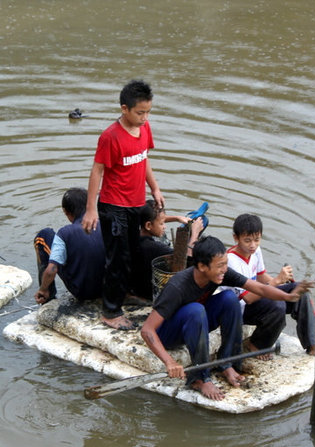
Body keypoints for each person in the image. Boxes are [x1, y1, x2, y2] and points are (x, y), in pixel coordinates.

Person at [140, 236, 314, 400]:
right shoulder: (177, 286)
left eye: (226, 264)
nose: (225, 269)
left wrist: (288, 297)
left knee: (229, 299)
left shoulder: (220, 273)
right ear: (202, 266)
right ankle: (200, 378)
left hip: (195, 322)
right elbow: (147, 330)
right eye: (220, 265)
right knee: (195, 309)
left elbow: (258, 288)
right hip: (169, 334)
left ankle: (228, 363)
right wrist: (169, 362)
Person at [82, 79, 164, 330]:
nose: (144, 117)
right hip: (114, 205)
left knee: (133, 252)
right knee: (117, 258)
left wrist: (155, 187)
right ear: (124, 109)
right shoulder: (110, 137)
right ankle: (110, 312)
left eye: (148, 112)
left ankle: (123, 294)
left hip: (136, 203)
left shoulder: (145, 129)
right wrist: (91, 208)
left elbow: (144, 159)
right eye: (140, 113)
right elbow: (97, 170)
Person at [226, 213, 315, 356]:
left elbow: (261, 276)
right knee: (277, 305)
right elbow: (247, 298)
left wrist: (282, 281)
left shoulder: (255, 251)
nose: (253, 245)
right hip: (241, 308)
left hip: (257, 296)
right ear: (236, 238)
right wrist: (276, 281)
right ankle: (257, 344)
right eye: (247, 241)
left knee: (300, 291)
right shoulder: (231, 261)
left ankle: (312, 344)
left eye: (257, 240)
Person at [34, 188, 106, 304]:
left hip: (83, 292)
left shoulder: (65, 233)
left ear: (66, 211)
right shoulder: (106, 223)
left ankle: (47, 296)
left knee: (43, 236)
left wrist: (43, 289)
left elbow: (51, 270)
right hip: (108, 288)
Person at [131, 199, 204, 300]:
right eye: (162, 224)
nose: (164, 227)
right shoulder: (155, 248)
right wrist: (195, 234)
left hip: (135, 287)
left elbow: (154, 219)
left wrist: (177, 218)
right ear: (148, 225)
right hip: (148, 293)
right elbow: (185, 259)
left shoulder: (134, 234)